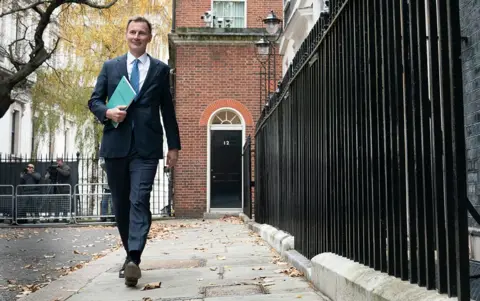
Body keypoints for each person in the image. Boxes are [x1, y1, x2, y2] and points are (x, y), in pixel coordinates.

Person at [87, 16, 181, 287]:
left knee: (139, 199)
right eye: (133, 32)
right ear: (126, 35)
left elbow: (168, 110)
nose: (137, 37)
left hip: (147, 147)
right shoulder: (111, 66)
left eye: (142, 33)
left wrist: (173, 146)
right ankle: (130, 254)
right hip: (116, 145)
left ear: (149, 37)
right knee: (121, 205)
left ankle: (134, 259)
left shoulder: (160, 70)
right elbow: (94, 100)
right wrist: (107, 112)